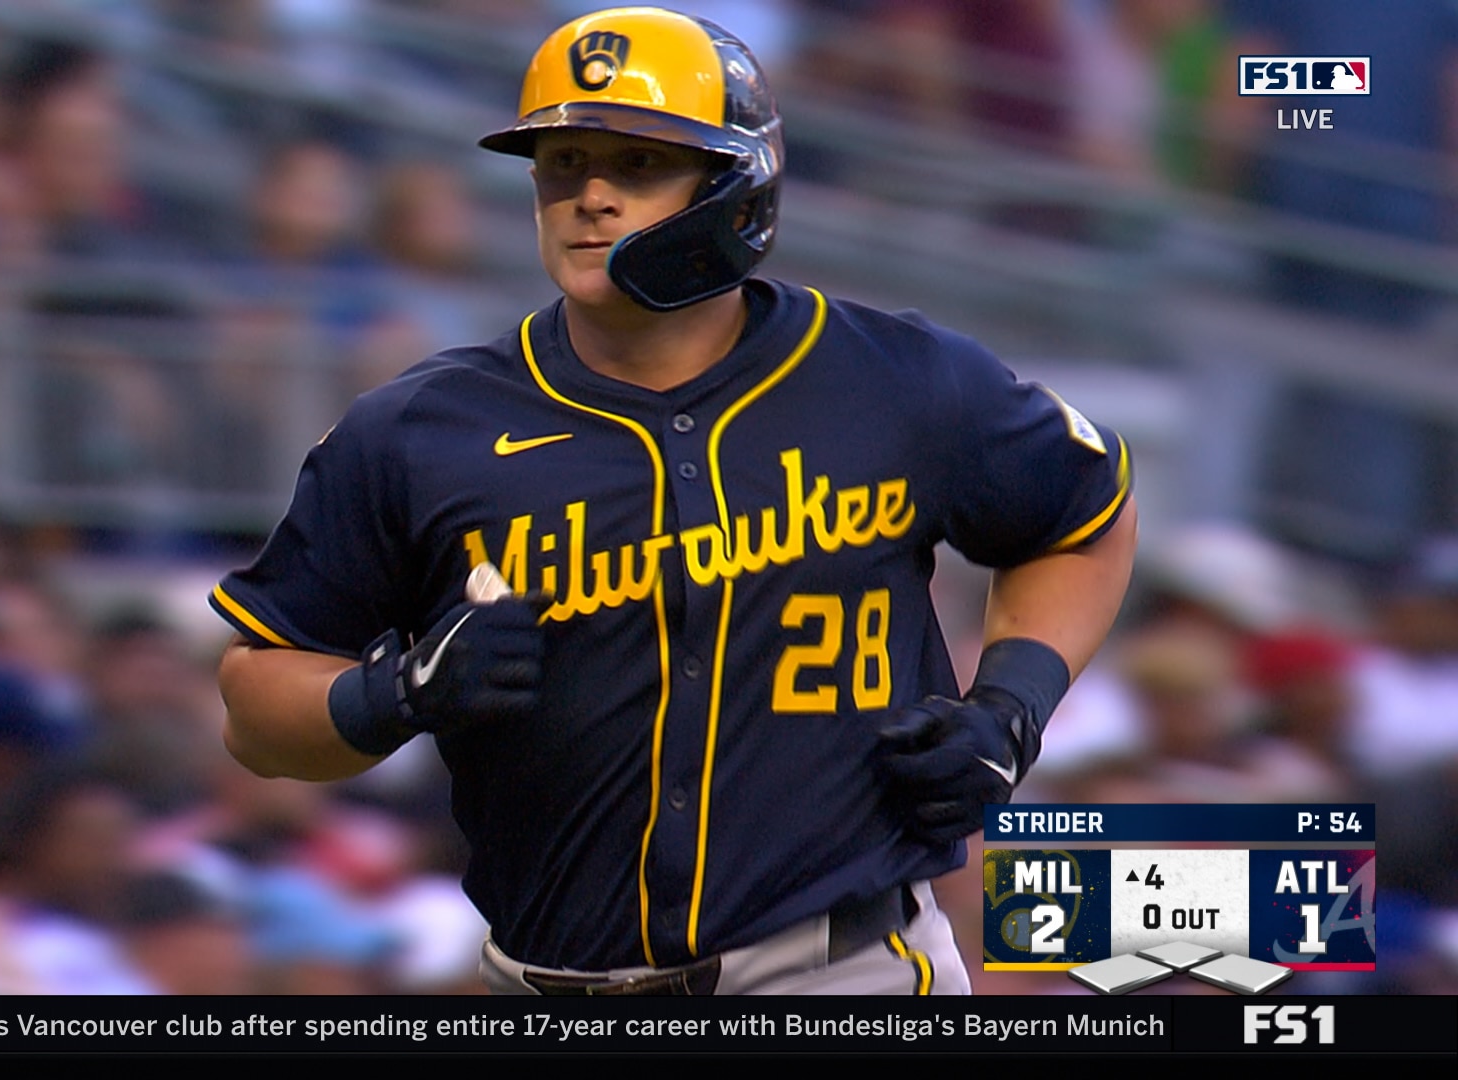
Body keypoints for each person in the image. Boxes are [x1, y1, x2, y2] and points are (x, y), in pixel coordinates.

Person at [210, 7, 1136, 996]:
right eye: (562, 164)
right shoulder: (418, 430)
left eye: (637, 165)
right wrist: (385, 694)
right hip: (541, 980)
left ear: (739, 186)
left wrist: (1008, 712)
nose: (589, 198)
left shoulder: (897, 380)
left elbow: (1082, 518)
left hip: (834, 967)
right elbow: (253, 705)